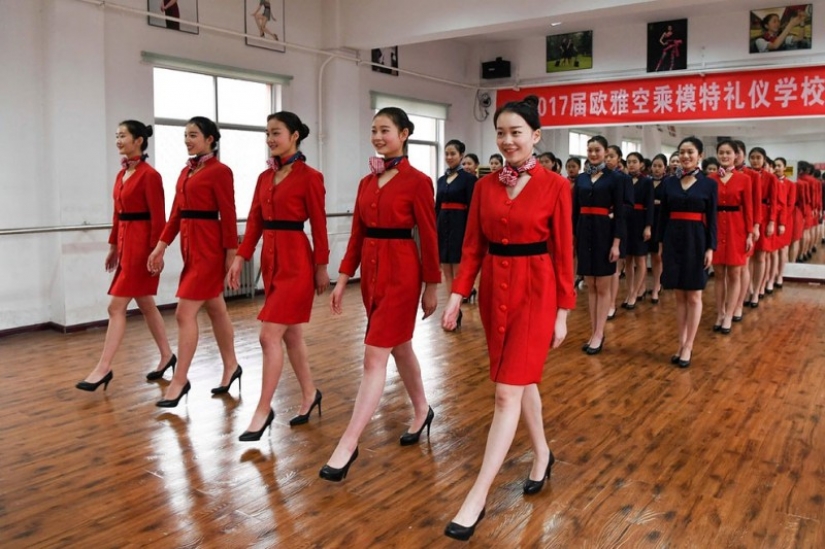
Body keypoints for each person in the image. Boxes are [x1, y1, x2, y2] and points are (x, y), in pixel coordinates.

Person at [441, 95, 575, 542]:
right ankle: (542, 453)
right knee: (521, 383)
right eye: (501, 132)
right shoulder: (484, 186)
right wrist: (458, 295)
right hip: (495, 292)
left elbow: (563, 253)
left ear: (535, 137)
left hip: (536, 292)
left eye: (517, 132)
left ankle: (477, 495)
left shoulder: (556, 185)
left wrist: (562, 312)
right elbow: (473, 247)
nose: (508, 140)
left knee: (505, 394)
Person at [320, 107, 440, 482]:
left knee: (375, 356)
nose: (377, 136)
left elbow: (430, 237)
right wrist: (343, 279)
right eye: (373, 130)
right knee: (399, 346)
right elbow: (357, 235)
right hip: (371, 274)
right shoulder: (365, 183)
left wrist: (432, 285)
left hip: (403, 273)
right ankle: (422, 410)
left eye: (384, 130)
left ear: (404, 134)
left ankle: (348, 443)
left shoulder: (418, 181)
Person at [226, 112, 329, 441]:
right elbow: (255, 222)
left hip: (297, 262)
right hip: (270, 262)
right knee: (291, 336)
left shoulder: (310, 176)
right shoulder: (263, 177)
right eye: (267, 133)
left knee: (268, 337)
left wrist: (321, 266)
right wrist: (241, 258)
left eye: (276, 132)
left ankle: (263, 409)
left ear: (295, 135)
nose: (270, 138)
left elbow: (319, 225)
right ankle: (310, 393)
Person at [147, 116, 240, 407]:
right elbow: (176, 215)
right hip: (191, 250)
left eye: (194, 135)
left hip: (210, 252)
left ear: (210, 138)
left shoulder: (220, 171)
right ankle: (231, 366)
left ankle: (180, 379)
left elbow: (228, 213)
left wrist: (230, 255)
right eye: (185, 135)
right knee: (216, 309)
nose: (188, 140)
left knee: (183, 314)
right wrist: (160, 247)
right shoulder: (185, 172)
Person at [76, 120, 175, 392]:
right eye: (116, 135)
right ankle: (167, 355)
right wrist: (113, 247)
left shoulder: (150, 175)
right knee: (146, 303)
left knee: (115, 307)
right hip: (125, 243)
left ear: (139, 141)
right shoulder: (121, 175)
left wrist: (159, 249)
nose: (118, 140)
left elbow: (159, 217)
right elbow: (118, 214)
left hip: (142, 248)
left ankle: (103, 367)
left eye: (123, 136)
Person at [658, 136, 717, 367]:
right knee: (678, 294)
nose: (685, 156)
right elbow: (662, 216)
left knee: (694, 295)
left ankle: (689, 345)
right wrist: (661, 244)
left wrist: (711, 247)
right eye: (682, 152)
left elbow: (712, 219)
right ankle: (680, 341)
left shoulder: (709, 184)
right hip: (673, 238)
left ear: (699, 155)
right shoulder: (669, 183)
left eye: (690, 152)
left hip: (697, 240)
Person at [573, 136, 624, 354]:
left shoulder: (616, 178)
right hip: (585, 231)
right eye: (590, 150)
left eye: (597, 150)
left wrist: (616, 244)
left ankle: (599, 333)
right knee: (590, 285)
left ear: (605, 152)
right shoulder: (582, 179)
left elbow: (621, 213)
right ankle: (593, 330)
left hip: (605, 232)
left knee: (602, 286)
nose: (593, 154)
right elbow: (575, 211)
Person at [708, 140, 753, 335]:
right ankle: (720, 312)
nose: (725, 156)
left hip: (737, 228)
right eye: (721, 152)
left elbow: (749, 208)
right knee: (718, 274)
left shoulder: (744, 179)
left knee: (734, 273)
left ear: (736, 155)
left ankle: (730, 314)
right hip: (716, 226)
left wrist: (751, 233)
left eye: (728, 153)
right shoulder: (710, 179)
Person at [436, 140, 478, 320]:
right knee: (446, 268)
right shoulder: (441, 179)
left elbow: (473, 207)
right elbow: (437, 206)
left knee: (459, 267)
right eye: (446, 153)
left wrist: (470, 231)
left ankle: (457, 304)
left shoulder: (469, 179)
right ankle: (451, 307)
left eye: (452, 153)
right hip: (442, 223)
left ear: (461, 155)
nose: (449, 157)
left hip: (460, 224)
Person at [748, 146, 778, 307]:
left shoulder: (770, 178)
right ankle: (749, 289)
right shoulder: (745, 175)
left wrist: (772, 222)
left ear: (764, 159)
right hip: (749, 215)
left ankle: (758, 289)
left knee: (760, 256)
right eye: (752, 157)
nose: (755, 160)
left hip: (765, 217)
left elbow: (774, 201)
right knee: (748, 257)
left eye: (758, 157)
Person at [623, 152, 654, 308]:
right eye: (629, 162)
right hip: (626, 221)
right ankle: (629, 291)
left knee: (640, 259)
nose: (631, 164)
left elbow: (650, 205)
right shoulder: (623, 180)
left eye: (635, 161)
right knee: (627, 260)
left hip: (640, 221)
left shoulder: (647, 182)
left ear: (641, 164)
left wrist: (648, 226)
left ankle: (636, 293)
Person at [606, 145, 633, 319]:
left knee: (614, 267)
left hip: (616, 225)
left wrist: (614, 213)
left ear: (618, 159)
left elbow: (629, 205)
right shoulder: (598, 177)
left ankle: (611, 303)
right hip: (600, 226)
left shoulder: (623, 179)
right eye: (605, 156)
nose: (607, 159)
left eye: (611, 156)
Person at [773, 157, 795, 288]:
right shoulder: (771, 181)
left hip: (785, 220)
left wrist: (782, 222)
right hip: (772, 220)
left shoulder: (790, 184)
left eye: (779, 166)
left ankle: (780, 275)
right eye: (774, 166)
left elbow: (790, 205)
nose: (776, 168)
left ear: (784, 168)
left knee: (783, 250)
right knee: (773, 251)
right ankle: (772, 274)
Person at [648, 154, 668, 303]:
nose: (656, 169)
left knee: (657, 256)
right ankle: (641, 287)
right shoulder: (647, 182)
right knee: (641, 257)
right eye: (654, 165)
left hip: (661, 221)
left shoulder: (667, 183)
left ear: (664, 168)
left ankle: (656, 286)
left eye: (659, 166)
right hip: (646, 220)